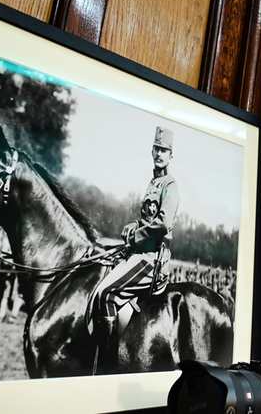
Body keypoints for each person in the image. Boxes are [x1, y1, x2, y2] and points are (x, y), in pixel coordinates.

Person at [92, 126, 180, 372]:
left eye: (164, 150)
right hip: (140, 253)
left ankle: (108, 366)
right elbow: (147, 219)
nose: (159, 153)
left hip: (152, 259)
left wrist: (134, 239)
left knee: (106, 294)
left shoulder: (170, 186)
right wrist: (134, 224)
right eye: (157, 149)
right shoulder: (153, 182)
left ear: (170, 156)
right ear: (152, 151)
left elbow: (162, 224)